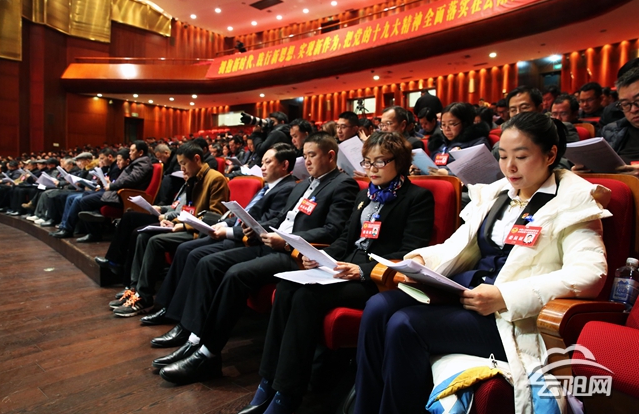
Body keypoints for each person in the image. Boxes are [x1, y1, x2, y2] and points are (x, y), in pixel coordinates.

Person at [354, 112, 609, 414]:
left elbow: (590, 274)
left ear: (550, 155)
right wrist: (422, 261)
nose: (509, 167)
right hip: (470, 294)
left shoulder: (574, 200)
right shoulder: (497, 193)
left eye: (521, 157)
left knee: (405, 324)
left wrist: (504, 296)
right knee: (378, 308)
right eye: (503, 157)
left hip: (512, 318)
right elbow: (457, 246)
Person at [239, 131, 435, 414]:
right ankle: (268, 381)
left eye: (380, 162)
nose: (372, 169)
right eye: (368, 162)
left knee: (306, 296)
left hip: (376, 278)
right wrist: (321, 258)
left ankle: (287, 395)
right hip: (343, 268)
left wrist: (362, 270)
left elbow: (410, 253)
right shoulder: (365, 194)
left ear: (400, 161)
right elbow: (345, 239)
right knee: (285, 287)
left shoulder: (417, 197)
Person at [154, 132, 359, 385]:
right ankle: (195, 339)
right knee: (209, 262)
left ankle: (208, 355)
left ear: (330, 156)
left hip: (295, 253)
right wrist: (258, 229)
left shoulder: (343, 184)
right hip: (271, 243)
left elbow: (333, 230)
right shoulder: (303, 185)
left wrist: (285, 240)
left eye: (312, 155)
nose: (306, 161)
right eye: (304, 156)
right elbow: (281, 218)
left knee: (236, 274)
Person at [142, 143, 298, 329]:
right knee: (184, 249)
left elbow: (265, 224)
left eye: (267, 162)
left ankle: (179, 316)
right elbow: (244, 216)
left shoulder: (287, 189)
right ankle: (167, 307)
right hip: (237, 233)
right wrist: (223, 224)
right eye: (262, 162)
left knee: (196, 255)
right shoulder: (268, 187)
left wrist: (228, 231)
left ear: (284, 165)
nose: (262, 167)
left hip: (248, 241)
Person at [111, 142, 230, 317]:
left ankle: (144, 297)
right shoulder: (193, 177)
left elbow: (215, 217)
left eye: (184, 164)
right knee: (143, 235)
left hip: (199, 232)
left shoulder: (215, 179)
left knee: (155, 241)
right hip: (186, 226)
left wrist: (182, 225)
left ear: (197, 159)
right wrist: (172, 220)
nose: (181, 169)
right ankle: (135, 289)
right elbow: (186, 209)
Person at [426, 102, 490, 175]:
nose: (446, 129)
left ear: (465, 123)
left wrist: (449, 174)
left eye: (452, 124)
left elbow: (478, 173)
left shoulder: (478, 143)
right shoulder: (439, 142)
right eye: (443, 124)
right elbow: (432, 166)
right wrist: (421, 170)